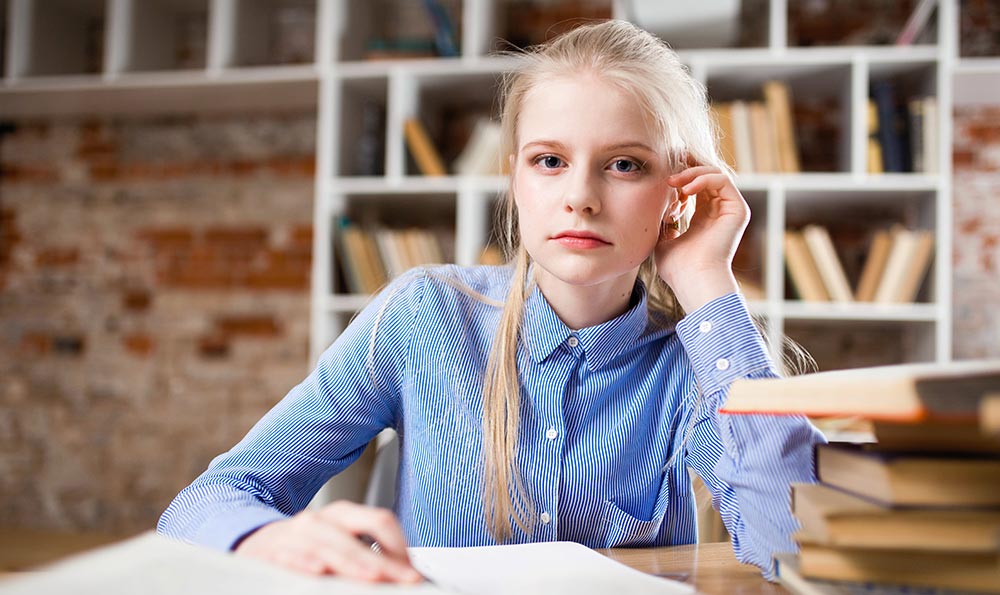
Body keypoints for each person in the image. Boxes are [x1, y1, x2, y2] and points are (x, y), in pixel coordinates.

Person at [157, 19, 824, 585]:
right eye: (549, 160)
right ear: (513, 178)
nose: (581, 197)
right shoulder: (425, 316)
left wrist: (707, 279)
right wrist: (270, 542)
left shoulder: (691, 361)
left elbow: (792, 547)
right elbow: (206, 502)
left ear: (676, 191)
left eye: (625, 164)